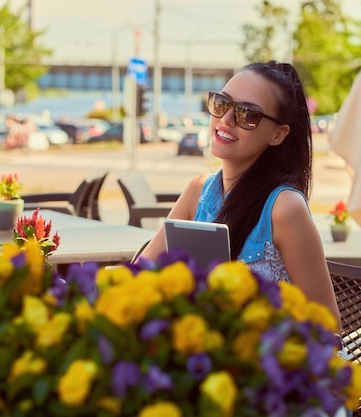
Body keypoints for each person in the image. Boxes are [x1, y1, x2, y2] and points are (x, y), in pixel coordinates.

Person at [138, 60, 340, 323]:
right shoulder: (198, 190)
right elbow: (140, 275)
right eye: (222, 103)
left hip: (263, 360)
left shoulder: (284, 208)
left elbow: (328, 327)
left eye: (248, 114)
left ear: (278, 135)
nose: (226, 119)